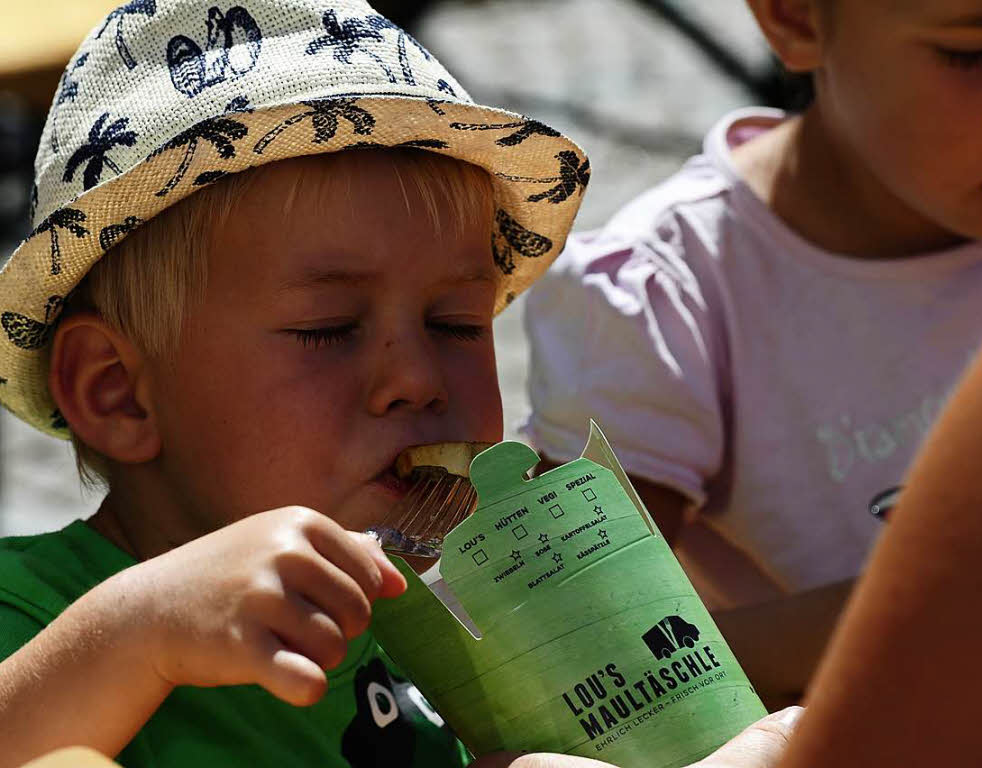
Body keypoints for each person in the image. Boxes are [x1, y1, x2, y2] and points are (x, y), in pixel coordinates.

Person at [0, 1, 592, 765]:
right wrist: (138, 634)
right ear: (117, 391)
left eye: (455, 325)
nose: (417, 380)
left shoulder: (432, 630)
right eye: (330, 328)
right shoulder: (36, 615)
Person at [522, 0, 982, 705]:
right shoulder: (668, 293)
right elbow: (578, 666)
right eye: (975, 50)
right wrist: (939, 609)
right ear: (794, 17)